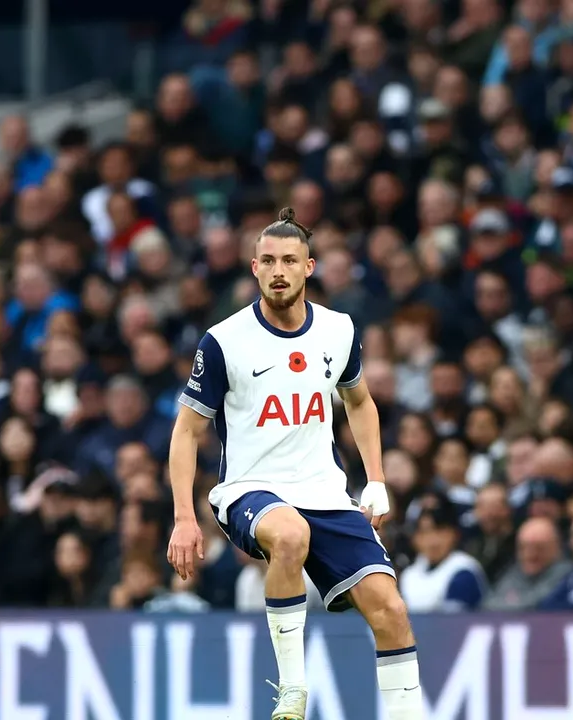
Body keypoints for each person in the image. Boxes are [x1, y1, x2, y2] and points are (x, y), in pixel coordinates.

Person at [166, 208, 422, 720]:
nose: (278, 269)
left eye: (289, 259)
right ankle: (293, 691)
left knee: (391, 610)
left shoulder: (338, 329)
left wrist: (375, 479)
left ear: (310, 267)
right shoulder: (223, 341)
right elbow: (186, 430)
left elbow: (360, 401)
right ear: (254, 268)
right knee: (288, 534)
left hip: (325, 492)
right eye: (268, 260)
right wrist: (184, 517)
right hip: (249, 489)